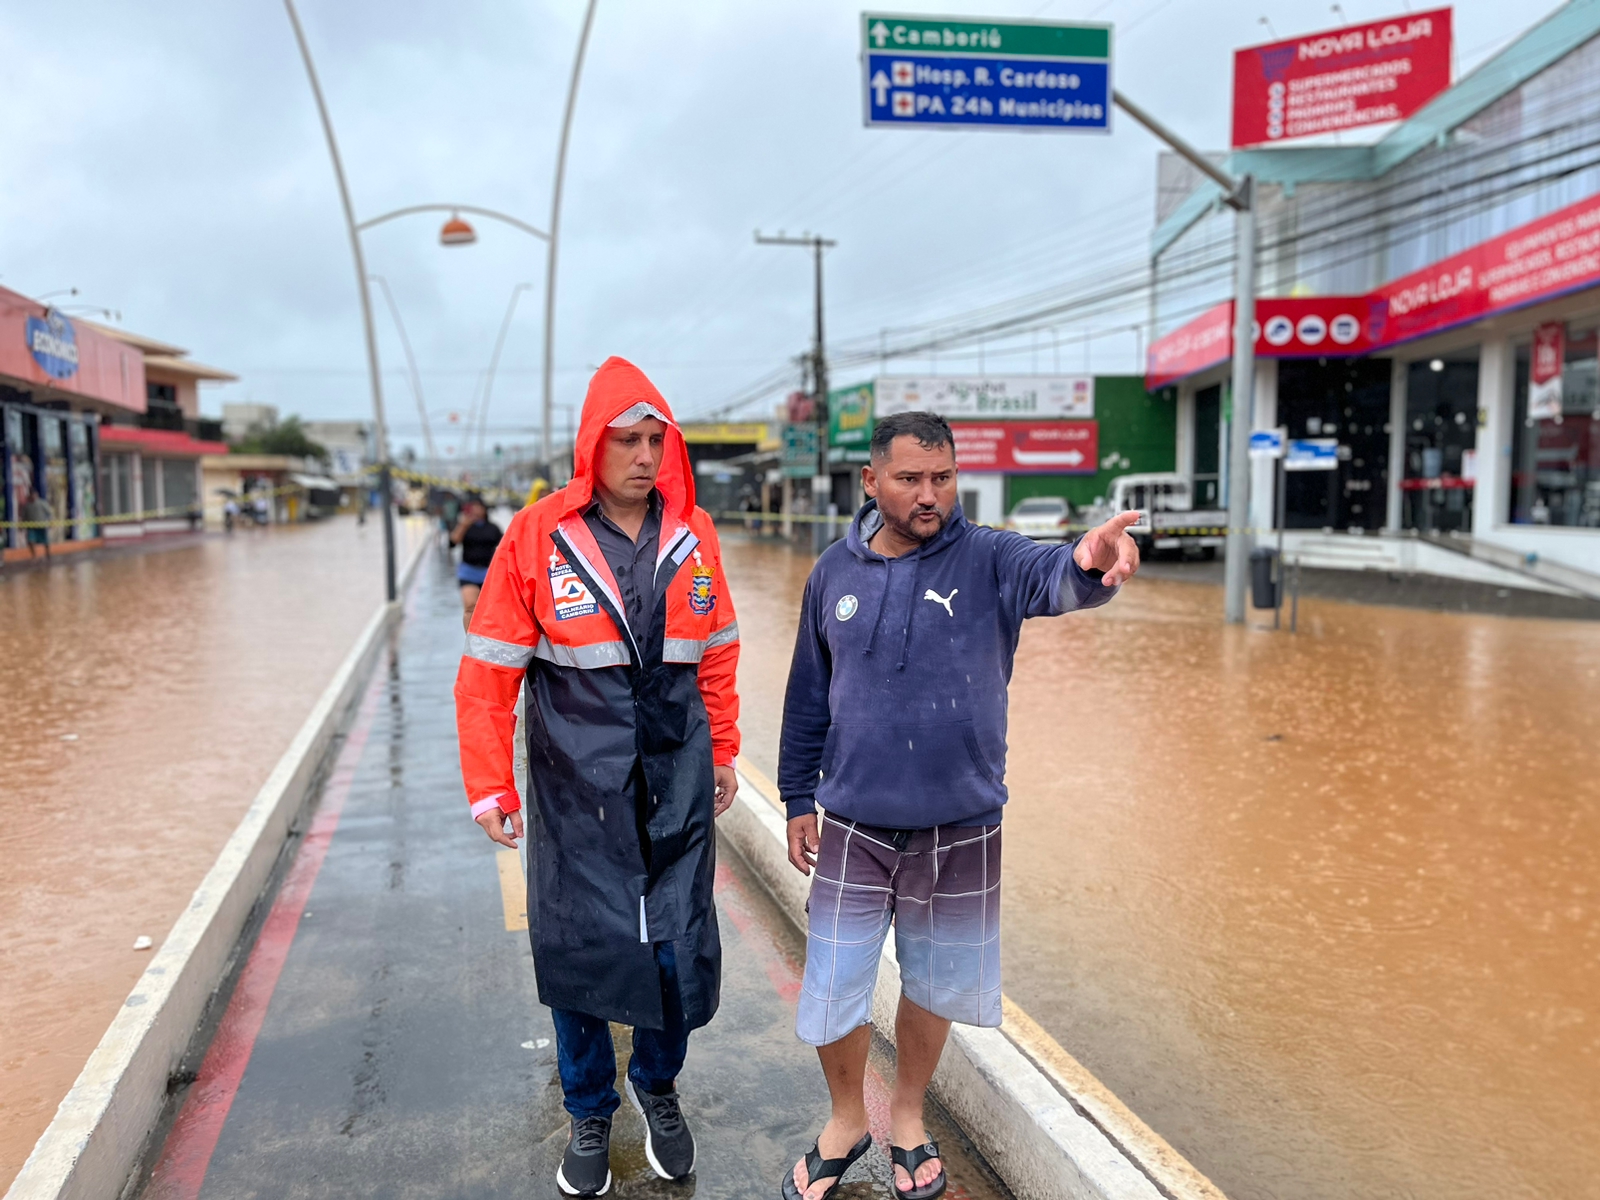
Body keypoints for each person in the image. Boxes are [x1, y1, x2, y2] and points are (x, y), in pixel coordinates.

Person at [777, 411, 1141, 1200]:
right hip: (852, 821)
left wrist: (1089, 557)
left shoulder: (989, 560)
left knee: (934, 981)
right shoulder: (831, 575)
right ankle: (846, 1119)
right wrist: (796, 793)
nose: (929, 494)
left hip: (962, 822)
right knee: (834, 980)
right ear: (871, 482)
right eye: (909, 479)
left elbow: (1056, 575)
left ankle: (906, 1114)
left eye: (942, 477)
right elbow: (808, 694)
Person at [454, 357, 741, 1198]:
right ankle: (589, 1106)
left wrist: (723, 750)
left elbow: (717, 653)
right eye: (628, 440)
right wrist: (490, 785)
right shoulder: (536, 535)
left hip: (678, 780)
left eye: (658, 440)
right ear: (593, 444)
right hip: (576, 788)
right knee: (577, 944)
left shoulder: (696, 536)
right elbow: (489, 672)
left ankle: (657, 1086)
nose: (646, 456)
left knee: (675, 944)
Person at [449, 493, 501, 632]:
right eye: (473, 508)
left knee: (490, 610)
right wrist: (463, 525)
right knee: (470, 606)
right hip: (468, 572)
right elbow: (452, 543)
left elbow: (504, 546)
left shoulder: (493, 528)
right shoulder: (464, 526)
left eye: (479, 507)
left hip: (488, 573)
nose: (476, 511)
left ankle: (488, 636)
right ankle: (471, 638)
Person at [22, 488, 52, 561]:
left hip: (41, 525)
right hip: (32, 527)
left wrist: (50, 522)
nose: (33, 496)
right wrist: (22, 525)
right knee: (30, 541)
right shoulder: (27, 506)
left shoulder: (42, 503)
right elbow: (24, 516)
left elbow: (49, 513)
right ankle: (34, 556)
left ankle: (48, 555)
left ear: (36, 495)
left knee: (46, 542)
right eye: (31, 495)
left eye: (34, 495)